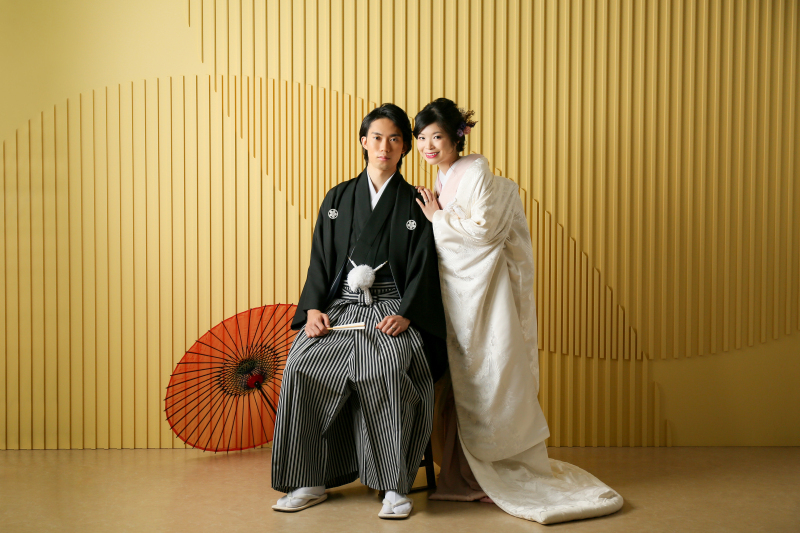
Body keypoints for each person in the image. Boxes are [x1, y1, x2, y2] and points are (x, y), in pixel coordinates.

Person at [414, 98, 623, 524]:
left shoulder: (475, 170)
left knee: (488, 379)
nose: (428, 146)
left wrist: (437, 219)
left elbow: (483, 233)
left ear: (457, 136)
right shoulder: (444, 177)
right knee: (462, 383)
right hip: (458, 296)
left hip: (482, 297)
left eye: (436, 136)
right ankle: (464, 474)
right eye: (421, 138)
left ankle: (490, 471)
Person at [270, 103, 448, 520]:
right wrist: (313, 308)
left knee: (387, 368)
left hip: (392, 307)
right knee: (301, 364)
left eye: (395, 139)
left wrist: (408, 313)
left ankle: (394, 486)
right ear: (364, 141)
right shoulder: (338, 197)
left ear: (404, 147)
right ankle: (309, 479)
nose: (385, 147)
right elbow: (320, 260)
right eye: (377, 137)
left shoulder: (416, 201)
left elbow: (425, 265)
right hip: (342, 307)